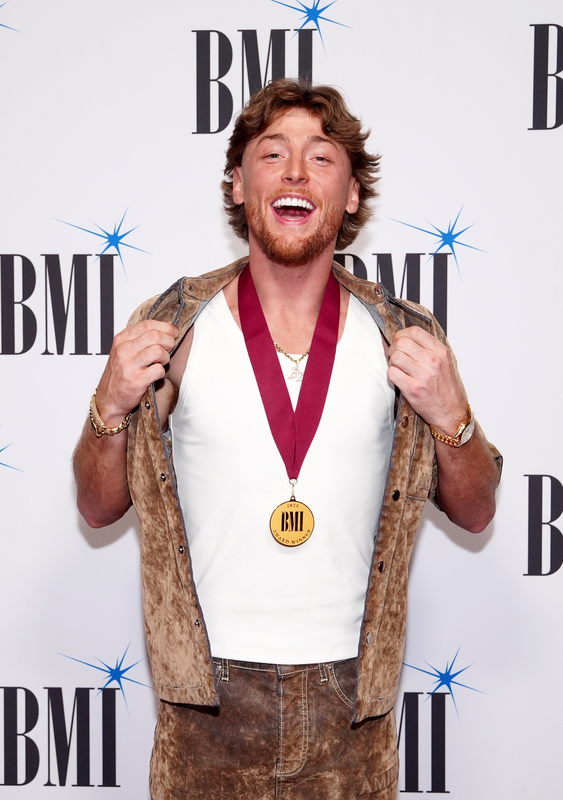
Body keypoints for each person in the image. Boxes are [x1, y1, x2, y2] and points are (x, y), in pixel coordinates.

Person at [73, 78, 501, 800]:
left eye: (321, 157)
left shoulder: (405, 333)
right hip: (204, 705)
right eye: (272, 154)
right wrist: (108, 403)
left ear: (353, 195)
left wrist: (452, 414)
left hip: (352, 707)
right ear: (239, 186)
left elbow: (477, 511)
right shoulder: (171, 324)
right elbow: (96, 507)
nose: (296, 172)